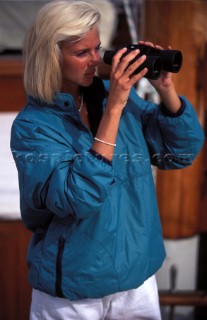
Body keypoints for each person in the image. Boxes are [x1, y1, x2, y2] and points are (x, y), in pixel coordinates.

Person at [10, 1, 204, 319]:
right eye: (81, 52)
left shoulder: (113, 97)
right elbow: (78, 198)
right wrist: (114, 106)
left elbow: (180, 153)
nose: (96, 60)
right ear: (50, 55)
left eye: (97, 48)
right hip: (75, 286)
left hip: (136, 277)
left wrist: (165, 88)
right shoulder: (33, 126)